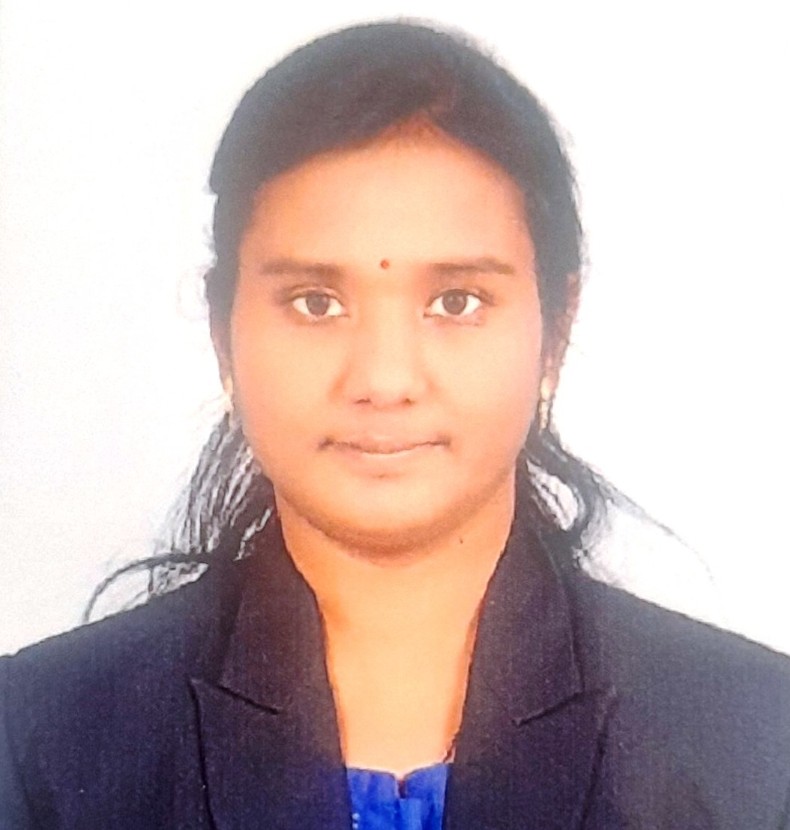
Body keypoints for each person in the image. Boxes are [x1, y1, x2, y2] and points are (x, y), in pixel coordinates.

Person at [1, 20, 789, 830]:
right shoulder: (39, 743)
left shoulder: (756, 743)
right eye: (315, 303)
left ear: (554, 331)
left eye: (456, 301)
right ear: (222, 335)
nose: (383, 379)